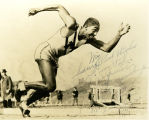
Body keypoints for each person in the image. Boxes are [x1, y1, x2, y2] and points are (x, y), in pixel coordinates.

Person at [17, 4, 130, 117]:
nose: (95, 34)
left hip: (54, 58)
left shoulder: (87, 39)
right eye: (94, 30)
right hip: (44, 52)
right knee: (50, 86)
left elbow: (106, 48)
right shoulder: (72, 26)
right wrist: (39, 9)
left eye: (97, 32)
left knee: (47, 89)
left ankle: (24, 103)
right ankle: (23, 84)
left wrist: (119, 35)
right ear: (85, 27)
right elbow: (59, 7)